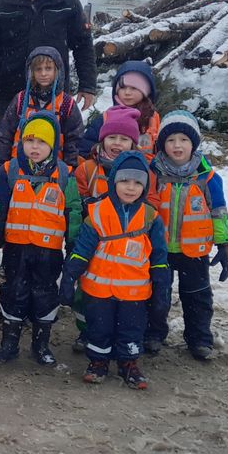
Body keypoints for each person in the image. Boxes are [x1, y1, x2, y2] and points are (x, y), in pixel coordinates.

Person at [59, 151, 170, 389]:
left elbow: (159, 257)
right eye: (124, 181)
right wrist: (69, 276)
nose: (130, 188)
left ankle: (129, 363)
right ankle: (98, 362)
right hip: (100, 291)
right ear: (113, 182)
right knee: (99, 328)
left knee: (132, 329)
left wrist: (162, 286)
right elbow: (82, 250)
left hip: (134, 293)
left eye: (137, 183)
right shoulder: (97, 213)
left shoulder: (151, 218)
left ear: (145, 186)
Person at [0, 112, 82, 367]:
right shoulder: (9, 170)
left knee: (44, 295)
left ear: (52, 145)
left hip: (48, 251)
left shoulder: (64, 174)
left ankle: (41, 344)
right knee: (13, 292)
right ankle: (9, 344)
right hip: (16, 248)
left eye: (41, 142)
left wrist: (73, 241)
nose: (35, 147)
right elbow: (0, 205)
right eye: (29, 141)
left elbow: (73, 209)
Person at [145, 111, 228, 360]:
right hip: (159, 248)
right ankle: (153, 333)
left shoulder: (207, 177)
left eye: (183, 140)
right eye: (171, 139)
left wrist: (225, 245)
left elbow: (219, 213)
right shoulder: (153, 173)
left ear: (193, 144)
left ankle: (199, 339)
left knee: (197, 298)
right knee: (155, 295)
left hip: (194, 252)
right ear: (162, 143)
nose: (177, 145)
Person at [70, 105, 141, 350]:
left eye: (124, 139)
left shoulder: (141, 171)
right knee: (88, 288)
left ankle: (117, 333)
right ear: (102, 139)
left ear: (133, 143)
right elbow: (75, 203)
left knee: (122, 291)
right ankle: (86, 330)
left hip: (126, 243)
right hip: (92, 242)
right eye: (112, 137)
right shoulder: (88, 168)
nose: (117, 143)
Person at [0, 47, 84, 173]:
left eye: (48, 69)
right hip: (18, 165)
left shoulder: (66, 104)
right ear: (31, 72)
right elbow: (5, 134)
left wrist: (70, 168)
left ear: (57, 70)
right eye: (38, 69)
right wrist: (0, 163)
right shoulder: (21, 99)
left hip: (54, 168)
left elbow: (74, 139)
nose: (43, 74)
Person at [78, 61, 160, 160]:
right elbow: (85, 149)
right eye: (123, 87)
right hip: (106, 171)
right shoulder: (106, 118)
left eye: (134, 88)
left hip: (145, 172)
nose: (127, 92)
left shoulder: (152, 119)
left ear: (145, 92)